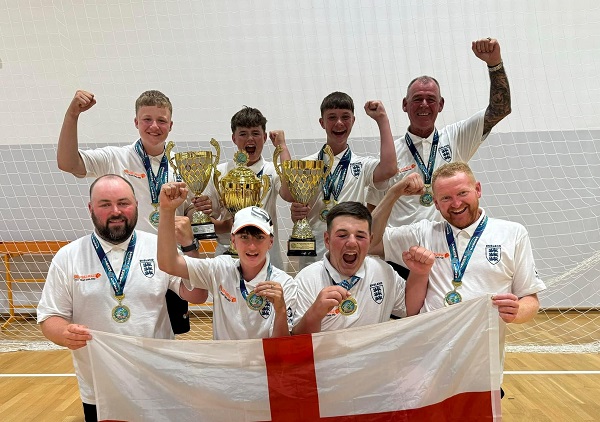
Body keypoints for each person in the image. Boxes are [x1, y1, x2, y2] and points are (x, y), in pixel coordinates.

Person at [37, 175, 207, 422]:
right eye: (105, 204)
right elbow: (49, 317)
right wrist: (65, 333)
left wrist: (190, 246)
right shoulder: (68, 257)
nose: (115, 211)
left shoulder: (159, 246)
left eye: (123, 203)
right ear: (90, 209)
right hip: (101, 388)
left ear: (136, 204)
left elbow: (197, 295)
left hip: (160, 380)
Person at [370, 162, 546, 395]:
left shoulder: (512, 233)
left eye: (462, 193)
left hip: (480, 363)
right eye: (445, 198)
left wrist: (517, 311)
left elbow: (530, 300)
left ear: (478, 190)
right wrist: (393, 193)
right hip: (425, 361)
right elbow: (370, 241)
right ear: (435, 203)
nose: (456, 203)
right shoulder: (423, 232)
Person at [56, 89, 210, 332]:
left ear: (171, 125)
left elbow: (189, 211)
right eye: (147, 119)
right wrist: (72, 115)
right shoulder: (115, 157)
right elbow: (67, 163)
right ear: (136, 122)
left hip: (170, 268)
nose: (154, 126)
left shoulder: (184, 166)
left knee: (165, 335)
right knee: (125, 329)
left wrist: (197, 211)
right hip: (126, 264)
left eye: (161, 120)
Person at [366, 37, 512, 277]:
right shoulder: (390, 154)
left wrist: (494, 64)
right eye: (417, 99)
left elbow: (500, 109)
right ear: (405, 104)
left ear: (441, 104)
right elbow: (372, 210)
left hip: (446, 253)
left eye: (431, 99)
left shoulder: (456, 137)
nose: (424, 104)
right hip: (398, 257)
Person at [158, 181, 296, 340]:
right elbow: (168, 263)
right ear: (233, 240)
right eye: (244, 237)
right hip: (224, 364)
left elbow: (282, 347)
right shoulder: (220, 268)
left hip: (263, 364)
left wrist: (281, 310)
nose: (251, 246)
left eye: (259, 237)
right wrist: (167, 211)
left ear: (271, 242)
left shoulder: (285, 284)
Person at [283, 92, 398, 263]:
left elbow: (389, 169)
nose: (339, 123)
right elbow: (287, 195)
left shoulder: (362, 164)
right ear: (322, 123)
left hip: (351, 248)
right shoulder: (306, 165)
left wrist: (382, 119)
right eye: (332, 117)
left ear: (353, 120)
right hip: (314, 250)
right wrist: (297, 212)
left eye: (345, 117)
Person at [292, 201, 434, 335]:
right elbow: (295, 342)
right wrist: (315, 313)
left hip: (372, 359)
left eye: (360, 236)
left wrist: (419, 274)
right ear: (327, 240)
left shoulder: (383, 271)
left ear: (371, 240)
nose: (352, 243)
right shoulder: (307, 279)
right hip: (327, 360)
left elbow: (410, 310)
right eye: (342, 235)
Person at [194, 106, 292, 270]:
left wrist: (282, 146)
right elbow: (206, 221)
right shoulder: (219, 172)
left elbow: (290, 195)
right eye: (243, 134)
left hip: (266, 257)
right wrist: (226, 225)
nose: (250, 139)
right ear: (233, 138)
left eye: (255, 133)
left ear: (265, 137)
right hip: (227, 257)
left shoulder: (271, 170)